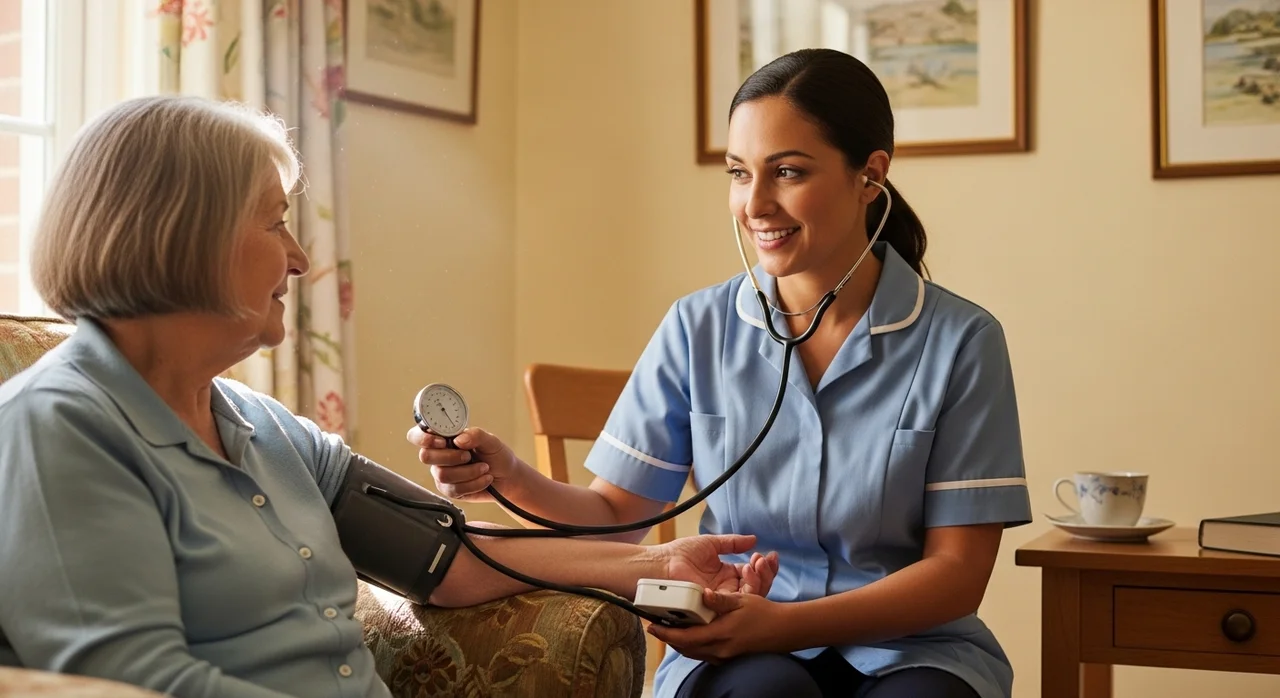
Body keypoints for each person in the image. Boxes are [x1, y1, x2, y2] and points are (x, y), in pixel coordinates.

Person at [0, 94, 779, 698]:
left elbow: (449, 553)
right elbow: (130, 683)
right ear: (183, 234)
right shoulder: (58, 428)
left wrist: (653, 564)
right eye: (276, 224)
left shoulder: (264, 427)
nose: (301, 258)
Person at [409, 48, 1032, 698]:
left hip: (912, 650)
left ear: (870, 175)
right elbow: (616, 518)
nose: (755, 203)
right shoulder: (696, 328)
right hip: (736, 639)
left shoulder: (962, 341)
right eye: (740, 173)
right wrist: (510, 476)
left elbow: (958, 574)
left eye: (787, 172)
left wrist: (784, 626)